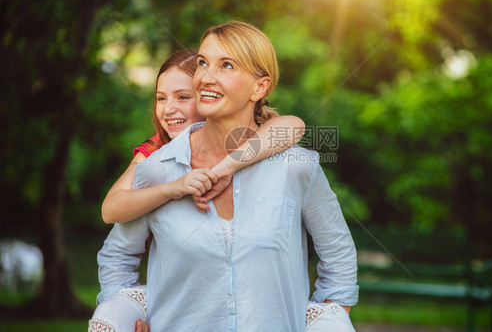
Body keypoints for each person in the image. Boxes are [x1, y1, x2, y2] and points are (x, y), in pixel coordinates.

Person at [95, 21, 358, 331]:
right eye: (203, 63)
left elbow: (338, 254)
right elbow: (117, 256)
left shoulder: (296, 166)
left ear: (260, 87)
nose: (206, 76)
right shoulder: (159, 168)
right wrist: (124, 312)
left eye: (227, 65)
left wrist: (330, 316)